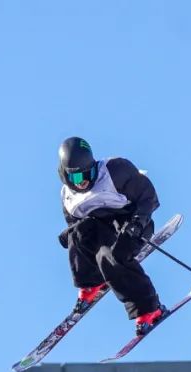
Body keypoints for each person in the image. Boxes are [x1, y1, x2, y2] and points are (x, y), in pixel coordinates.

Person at [57, 136, 166, 336]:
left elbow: (148, 196)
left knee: (111, 256)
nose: (83, 182)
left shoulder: (115, 171)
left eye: (88, 173)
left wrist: (137, 223)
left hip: (131, 225)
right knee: (78, 233)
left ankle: (149, 309)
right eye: (77, 178)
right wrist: (70, 234)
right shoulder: (68, 197)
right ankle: (92, 282)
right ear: (66, 175)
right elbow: (79, 231)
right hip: (103, 229)